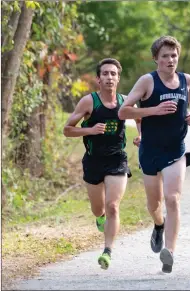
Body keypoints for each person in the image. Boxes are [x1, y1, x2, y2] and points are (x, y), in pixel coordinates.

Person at [118, 36, 190, 273]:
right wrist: (154, 110)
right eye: (164, 56)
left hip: (176, 150)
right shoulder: (147, 81)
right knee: (154, 204)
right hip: (150, 151)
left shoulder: (186, 80)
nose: (170, 60)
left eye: (174, 55)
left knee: (173, 198)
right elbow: (123, 112)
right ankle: (158, 224)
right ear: (156, 59)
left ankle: (170, 252)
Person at [63, 58, 140, 270]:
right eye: (105, 74)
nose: (109, 77)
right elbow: (67, 129)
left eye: (113, 74)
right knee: (98, 209)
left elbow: (140, 119)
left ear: (118, 78)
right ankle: (101, 217)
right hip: (93, 161)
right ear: (98, 79)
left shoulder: (126, 101)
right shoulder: (89, 102)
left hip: (117, 159)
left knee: (113, 205)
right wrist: (90, 130)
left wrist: (141, 136)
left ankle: (107, 251)